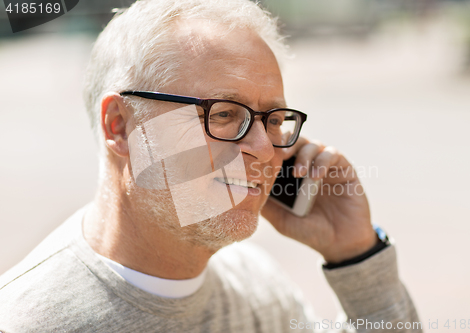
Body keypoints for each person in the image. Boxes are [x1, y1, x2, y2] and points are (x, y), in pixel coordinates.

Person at [0, 0, 422, 332]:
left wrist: (357, 257)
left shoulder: (257, 286)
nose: (265, 149)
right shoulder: (27, 322)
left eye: (273, 120)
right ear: (122, 127)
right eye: (222, 114)